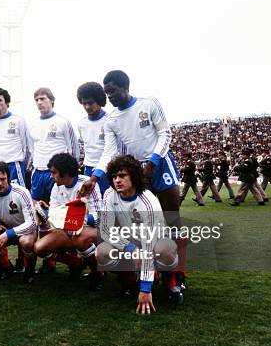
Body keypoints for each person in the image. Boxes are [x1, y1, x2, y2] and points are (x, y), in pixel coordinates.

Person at [78, 70, 186, 295]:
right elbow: (109, 151)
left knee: (171, 220)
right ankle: (145, 273)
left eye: (113, 91)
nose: (110, 97)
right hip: (136, 171)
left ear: (125, 87)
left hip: (160, 164)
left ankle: (175, 276)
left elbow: (165, 134)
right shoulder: (112, 120)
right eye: (107, 93)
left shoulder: (149, 103)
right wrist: (94, 178)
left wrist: (153, 162)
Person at [97, 155, 180, 312]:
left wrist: (145, 290)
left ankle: (169, 282)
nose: (117, 180)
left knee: (164, 249)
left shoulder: (148, 201)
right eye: (114, 176)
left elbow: (149, 244)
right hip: (131, 242)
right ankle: (129, 281)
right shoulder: (110, 194)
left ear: (134, 176)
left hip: (155, 242)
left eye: (122, 176)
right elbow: (106, 229)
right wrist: (130, 249)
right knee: (101, 252)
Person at [33, 153, 103, 290]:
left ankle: (97, 273)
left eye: (54, 173)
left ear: (65, 173)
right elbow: (55, 213)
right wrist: (45, 214)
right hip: (67, 228)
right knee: (39, 248)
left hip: (91, 229)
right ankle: (77, 263)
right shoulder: (56, 187)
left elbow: (98, 216)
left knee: (80, 239)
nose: (50, 176)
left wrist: (76, 220)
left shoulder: (87, 184)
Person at [29, 87, 80, 203]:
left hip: (56, 172)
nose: (39, 102)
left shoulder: (63, 121)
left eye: (42, 98)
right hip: (38, 172)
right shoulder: (32, 124)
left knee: (58, 206)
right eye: (36, 100)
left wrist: (70, 171)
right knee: (38, 207)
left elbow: (73, 149)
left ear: (51, 100)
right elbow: (31, 149)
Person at [0, 88, 32, 187]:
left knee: (17, 197)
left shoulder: (19, 120)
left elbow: (26, 147)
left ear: (7, 102)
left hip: (13, 165)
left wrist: (23, 166)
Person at [76, 82, 110, 195]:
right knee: (90, 203)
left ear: (100, 101)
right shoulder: (81, 123)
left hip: (106, 170)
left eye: (90, 103)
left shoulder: (110, 121)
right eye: (84, 103)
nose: (87, 107)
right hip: (88, 170)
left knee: (107, 203)